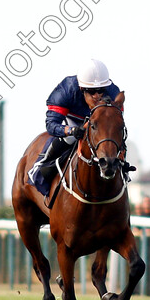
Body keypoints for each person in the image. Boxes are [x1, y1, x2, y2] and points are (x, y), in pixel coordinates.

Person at [28, 59, 124, 198]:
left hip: (99, 121)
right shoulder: (65, 91)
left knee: (113, 138)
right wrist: (71, 130)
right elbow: (51, 125)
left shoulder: (113, 91)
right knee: (70, 138)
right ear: (81, 88)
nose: (97, 95)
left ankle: (123, 171)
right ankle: (42, 167)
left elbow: (115, 121)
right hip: (73, 120)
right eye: (92, 91)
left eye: (101, 91)